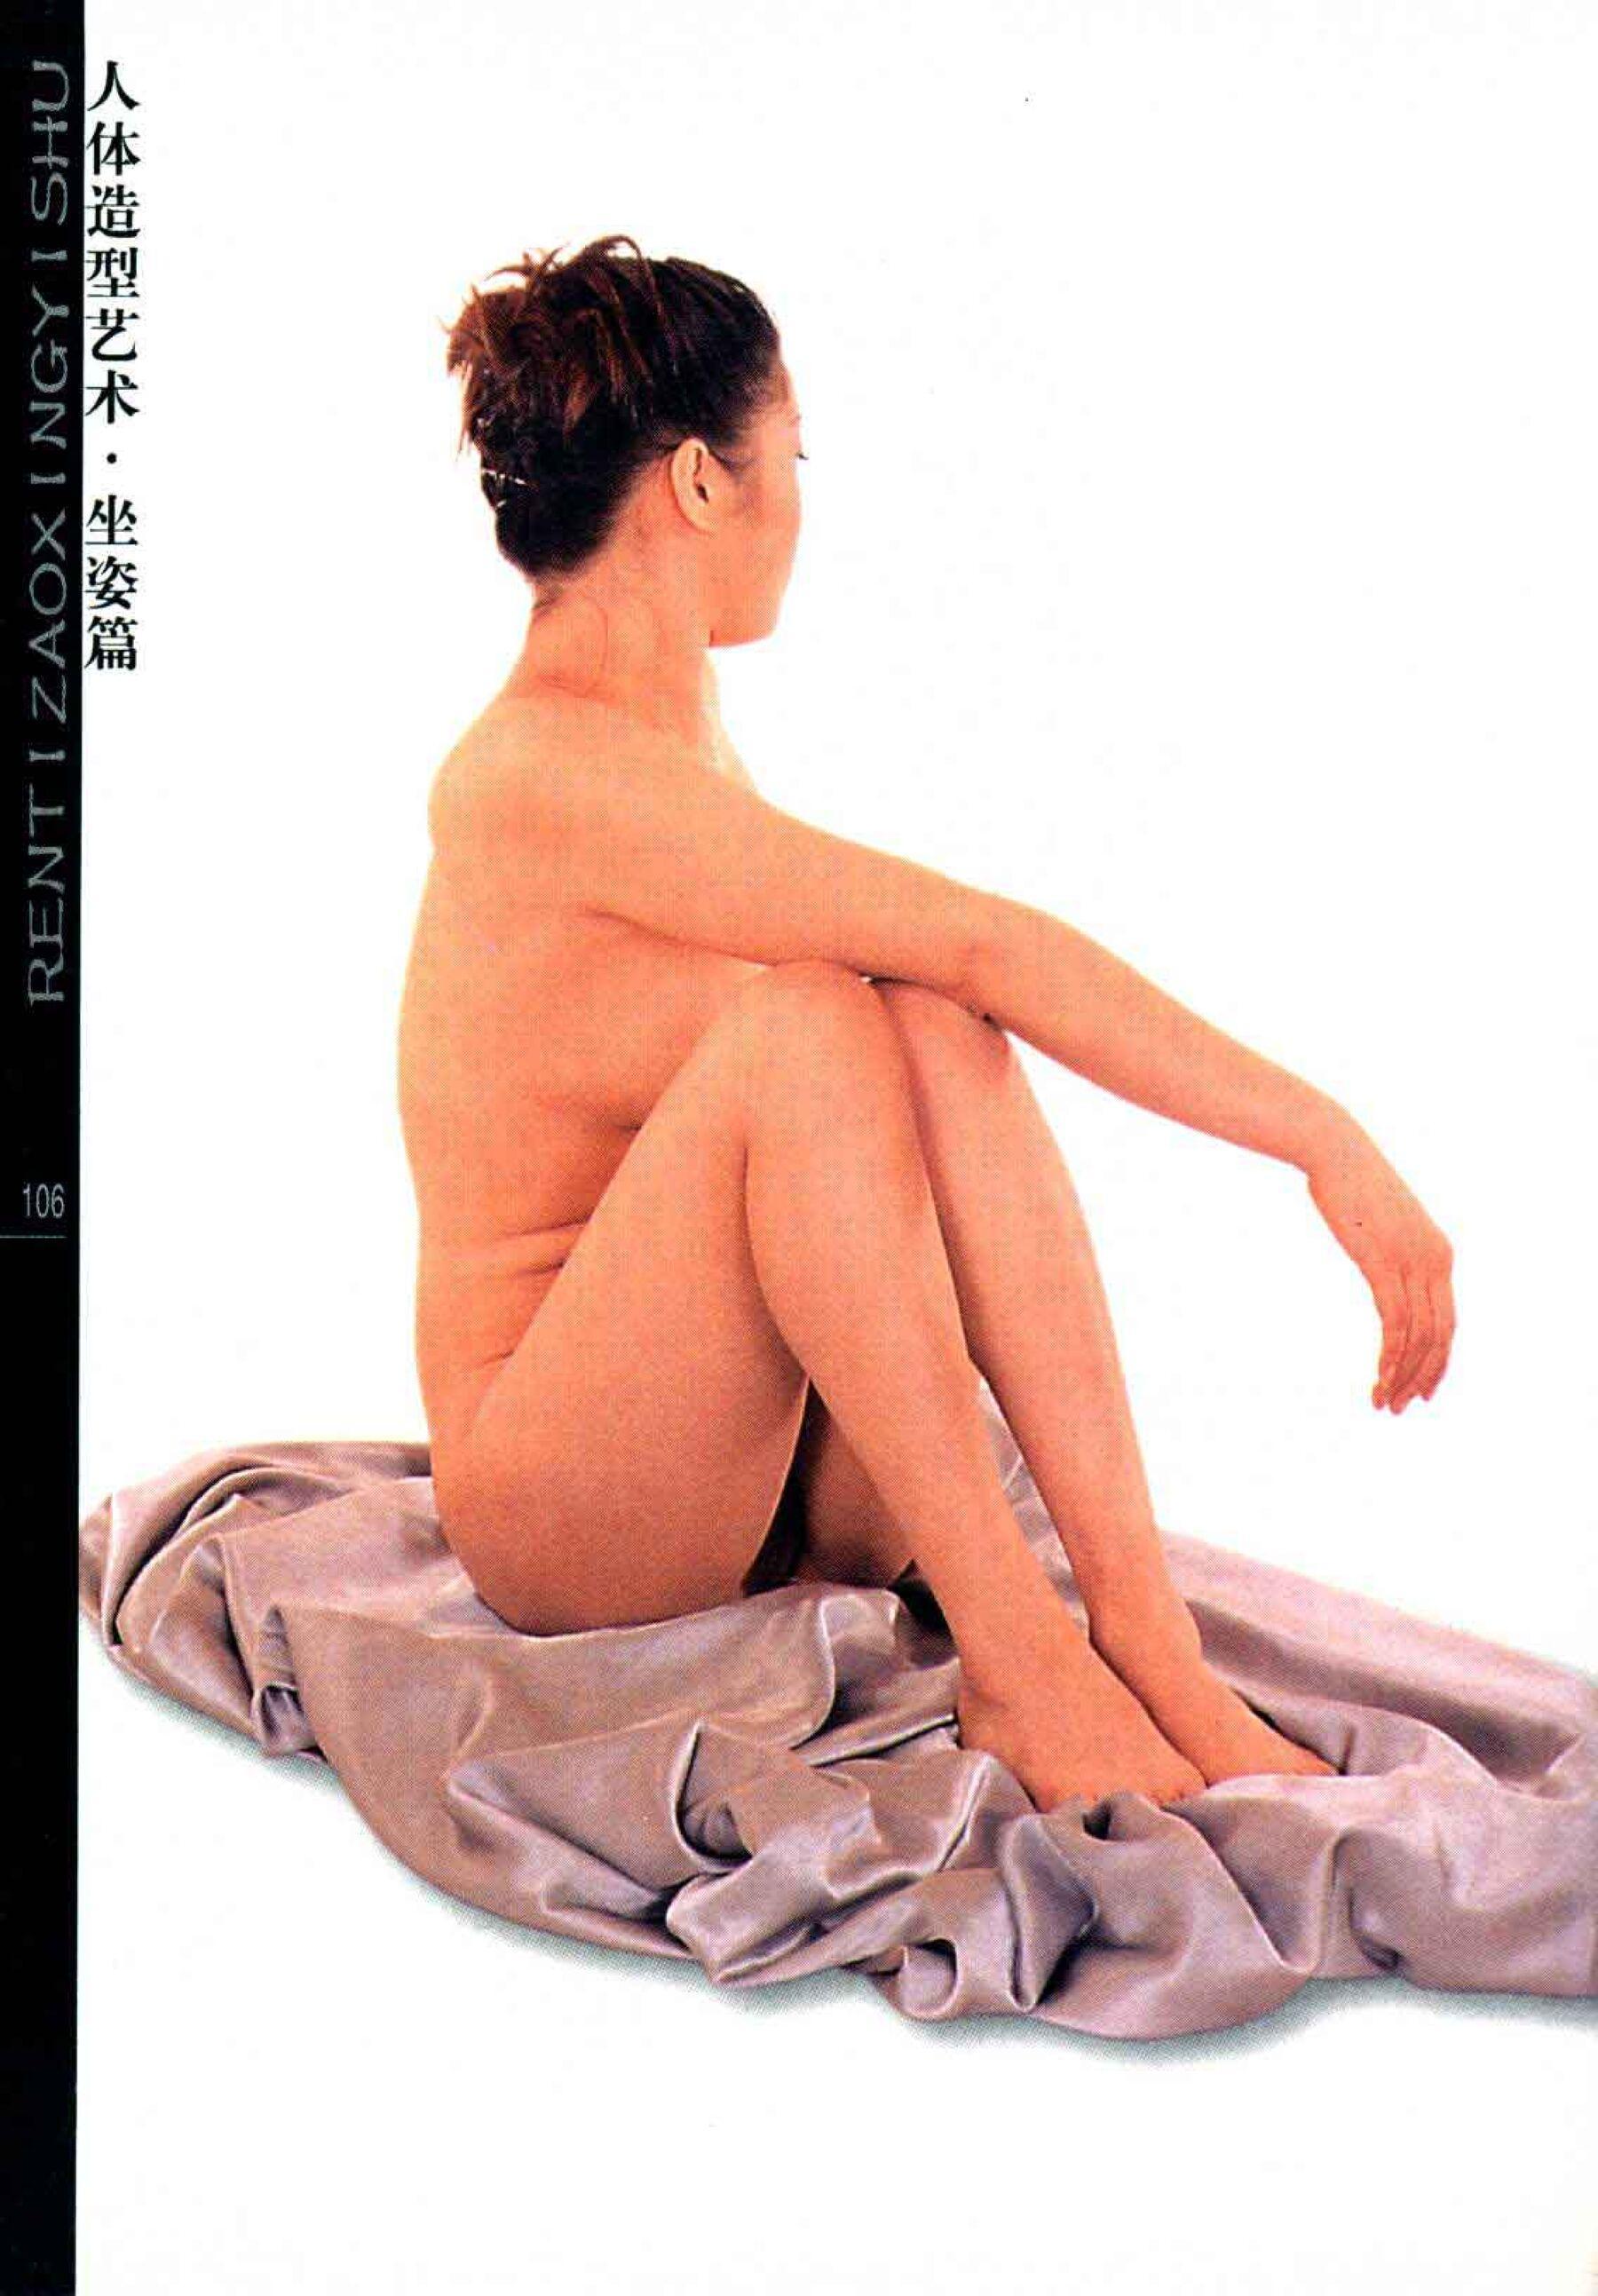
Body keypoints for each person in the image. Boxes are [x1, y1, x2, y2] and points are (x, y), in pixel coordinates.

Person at [399, 234, 1454, 1813]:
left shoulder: (671, 723)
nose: (803, 497)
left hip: (760, 1468)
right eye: (794, 453)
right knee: (822, 1021)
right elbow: (973, 932)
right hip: (573, 1514)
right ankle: (1022, 1663)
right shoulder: (541, 774)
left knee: (927, 1021)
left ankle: (1143, 1636)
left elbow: (954, 979)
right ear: (701, 482)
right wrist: (1322, 1138)